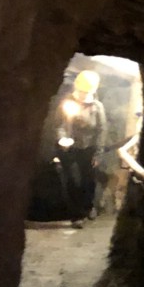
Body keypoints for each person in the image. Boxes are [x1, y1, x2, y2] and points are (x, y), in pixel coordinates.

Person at [56, 69, 107, 226]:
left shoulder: (97, 107)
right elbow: (60, 124)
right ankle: (76, 215)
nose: (84, 95)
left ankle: (88, 207)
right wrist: (62, 138)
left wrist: (98, 153)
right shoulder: (68, 103)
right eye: (82, 91)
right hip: (70, 149)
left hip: (89, 148)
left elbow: (101, 129)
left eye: (87, 92)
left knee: (88, 180)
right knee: (72, 180)